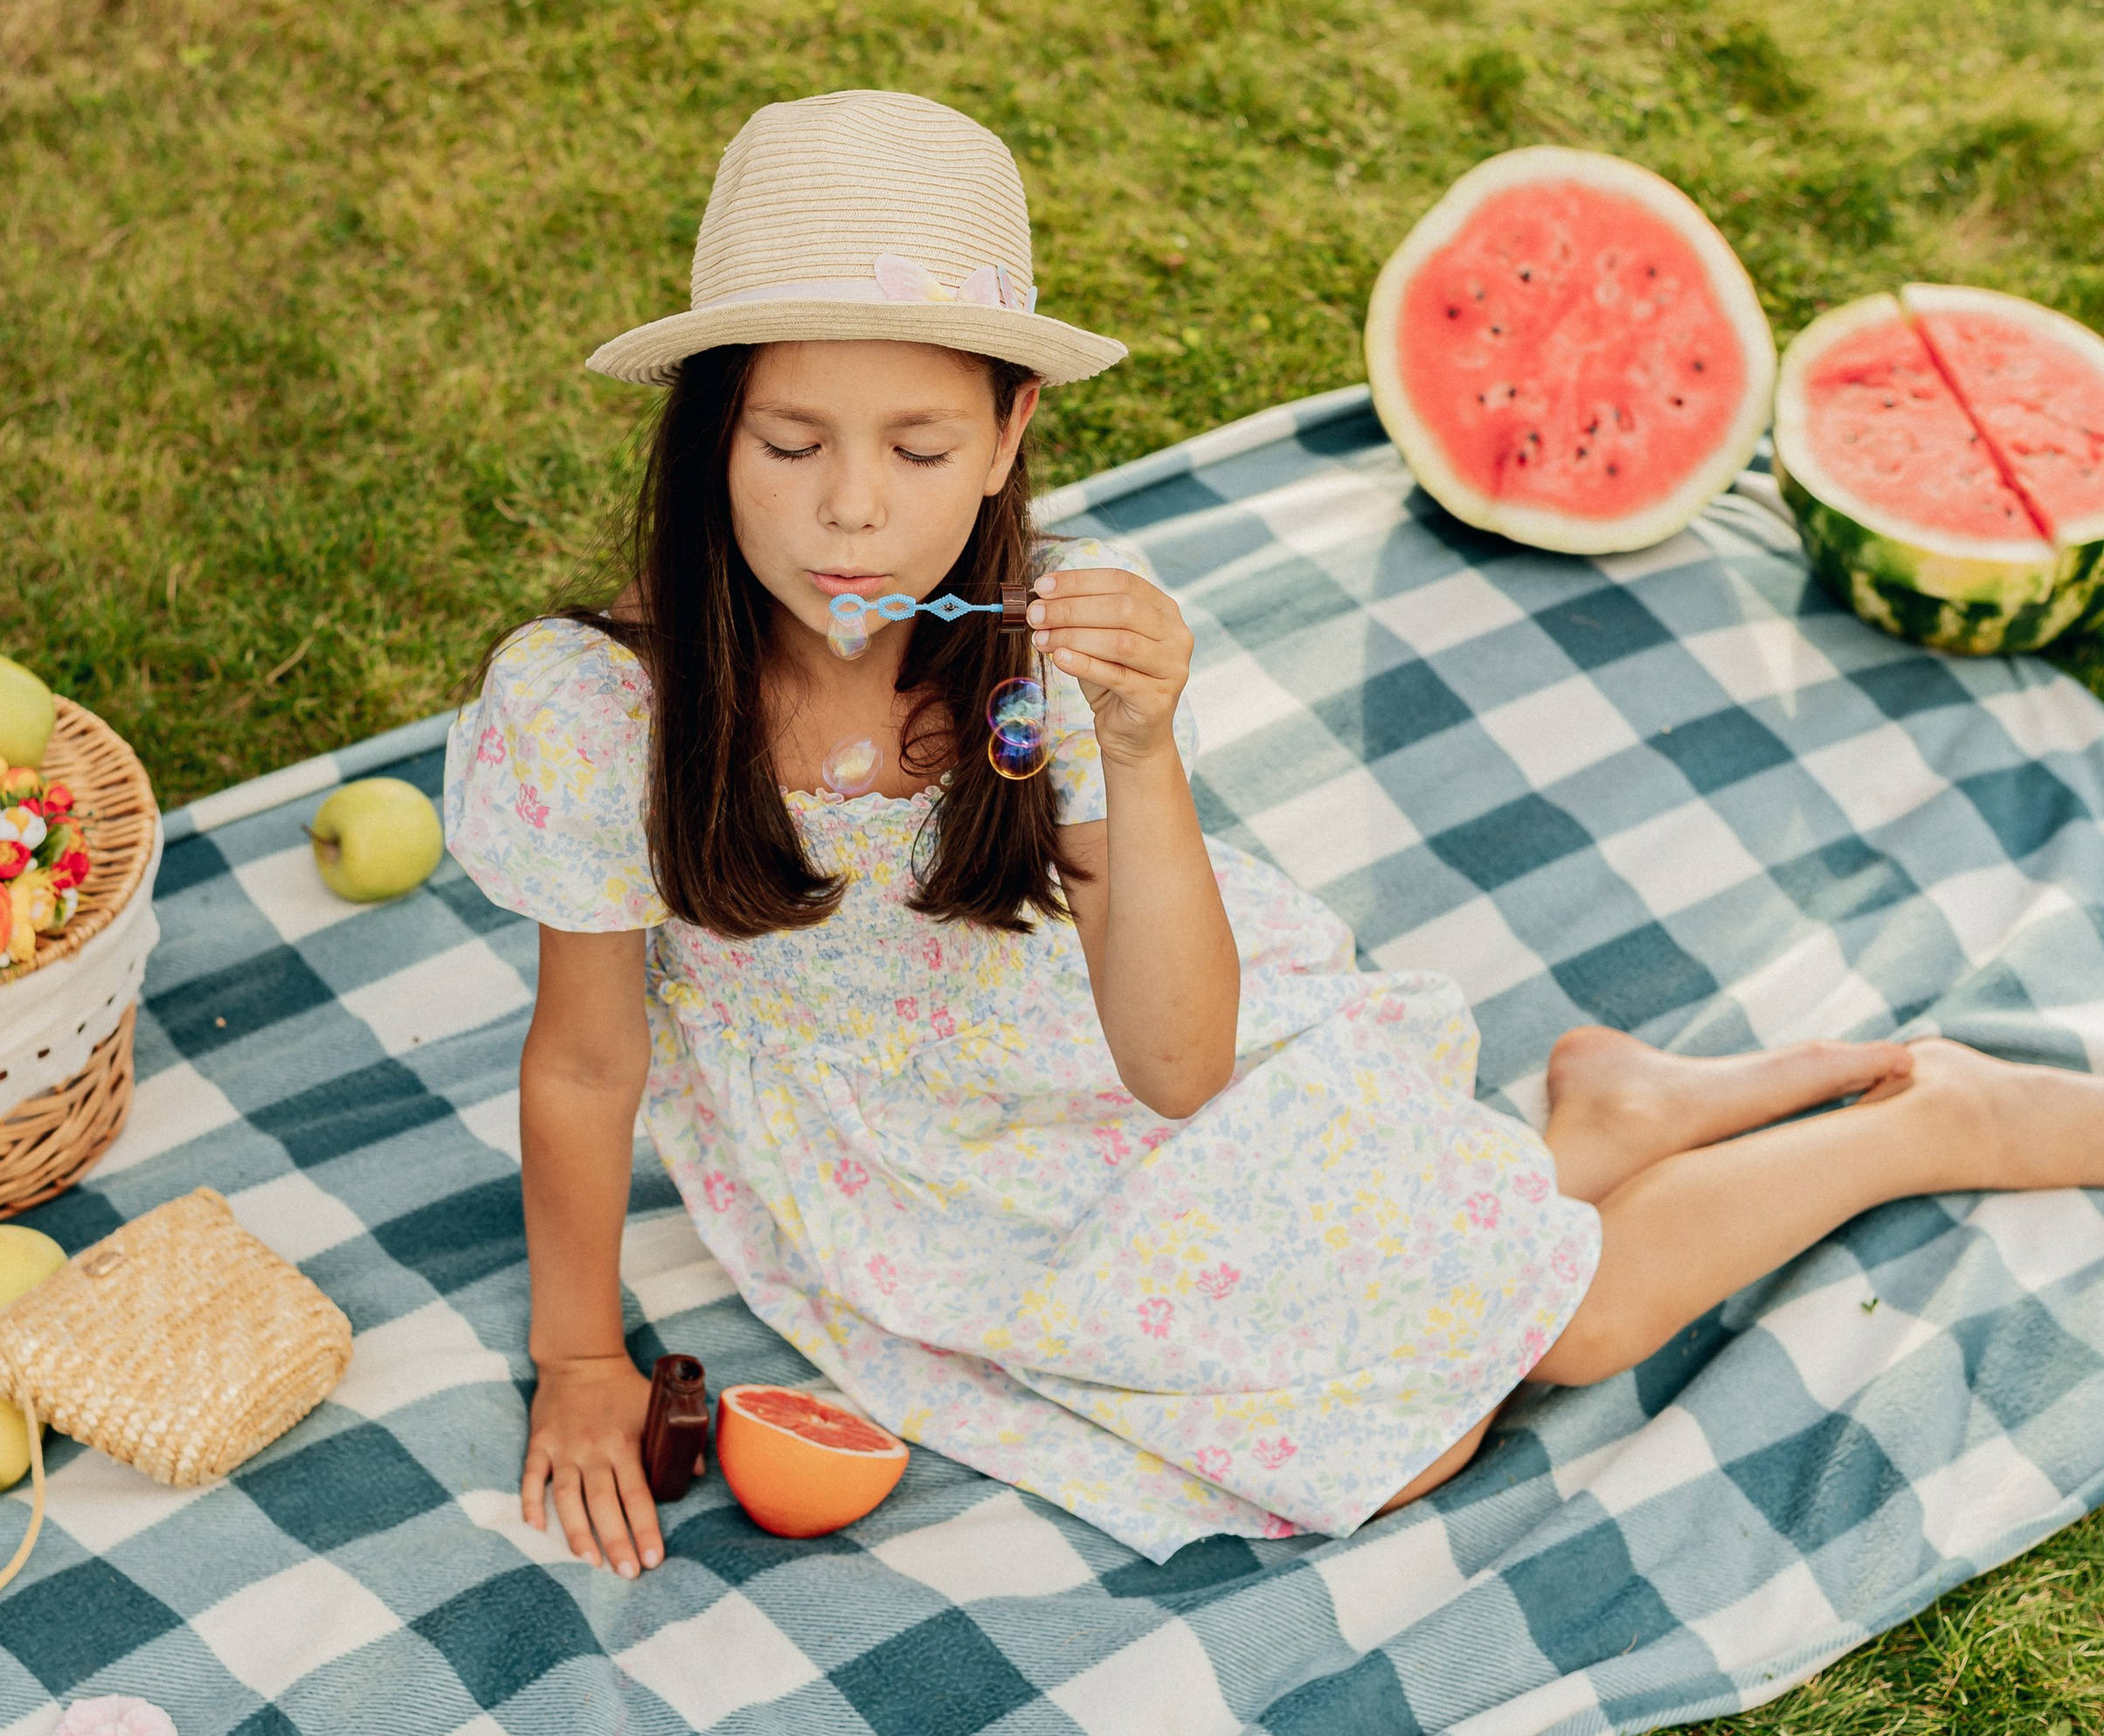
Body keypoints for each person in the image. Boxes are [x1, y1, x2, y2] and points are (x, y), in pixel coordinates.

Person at [445, 90, 2104, 1577]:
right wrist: (582, 1355)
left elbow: (1176, 1062)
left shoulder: (1041, 668)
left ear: (1014, 433)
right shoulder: (605, 716)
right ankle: (1603, 1121)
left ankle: (1919, 1123)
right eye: (790, 443)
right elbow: (589, 1064)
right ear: (707, 435)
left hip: (1115, 1081)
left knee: (1569, 1327)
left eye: (922, 446)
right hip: (898, 1180)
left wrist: (1148, 752)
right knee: (1427, 1430)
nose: (853, 510)